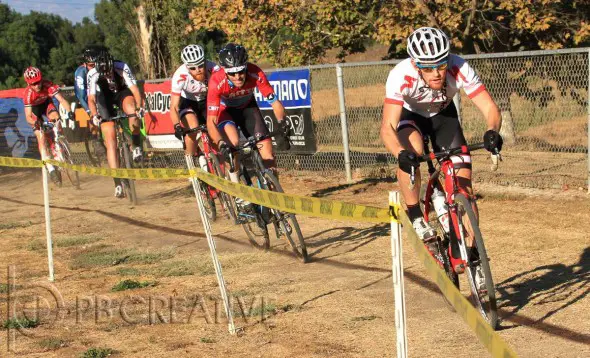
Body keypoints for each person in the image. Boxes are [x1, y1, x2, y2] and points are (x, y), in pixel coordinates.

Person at [380, 27, 503, 241]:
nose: (436, 73)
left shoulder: (460, 66)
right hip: (412, 116)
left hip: (444, 117)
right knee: (413, 152)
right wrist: (400, 153)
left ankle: (474, 257)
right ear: (416, 66)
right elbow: (387, 127)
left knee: (465, 189)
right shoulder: (400, 75)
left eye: (441, 65)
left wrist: (492, 130)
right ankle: (415, 214)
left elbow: (490, 108)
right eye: (428, 68)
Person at [206, 43, 290, 179]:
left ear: (246, 67)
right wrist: (221, 144)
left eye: (241, 71)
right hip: (226, 112)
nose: (238, 77)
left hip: (248, 108)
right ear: (225, 71)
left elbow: (275, 102)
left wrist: (282, 121)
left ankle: (274, 193)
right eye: (232, 73)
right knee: (232, 146)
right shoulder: (216, 81)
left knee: (268, 155)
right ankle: (236, 188)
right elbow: (211, 121)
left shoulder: (255, 72)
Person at [87, 50, 145, 198]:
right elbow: (91, 99)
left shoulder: (121, 66)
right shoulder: (92, 74)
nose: (107, 75)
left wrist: (140, 107)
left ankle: (136, 145)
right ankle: (117, 183)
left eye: (109, 72)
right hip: (104, 98)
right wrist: (95, 115)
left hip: (121, 92)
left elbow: (134, 90)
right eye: (104, 73)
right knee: (110, 139)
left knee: (132, 110)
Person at [22, 66, 74, 185]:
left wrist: (70, 112)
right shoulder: (28, 94)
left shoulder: (48, 85)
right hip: (35, 111)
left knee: (56, 118)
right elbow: (28, 117)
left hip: (46, 104)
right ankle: (50, 168)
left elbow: (61, 100)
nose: (37, 85)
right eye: (34, 83)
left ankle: (58, 141)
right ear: (29, 84)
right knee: (41, 137)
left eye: (39, 81)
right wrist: (35, 123)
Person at [170, 44, 218, 155]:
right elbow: (174, 106)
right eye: (192, 68)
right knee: (193, 128)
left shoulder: (214, 69)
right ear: (187, 67)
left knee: (215, 133)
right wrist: (177, 126)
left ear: (205, 61)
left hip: (207, 100)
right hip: (187, 102)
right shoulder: (180, 75)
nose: (198, 70)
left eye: (200, 65)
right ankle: (190, 160)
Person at [75, 46, 106, 157]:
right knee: (93, 115)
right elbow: (81, 95)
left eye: (95, 64)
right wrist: (91, 112)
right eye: (91, 66)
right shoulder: (80, 73)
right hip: (85, 96)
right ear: (85, 64)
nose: (94, 68)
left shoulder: (101, 69)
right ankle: (96, 139)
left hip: (99, 93)